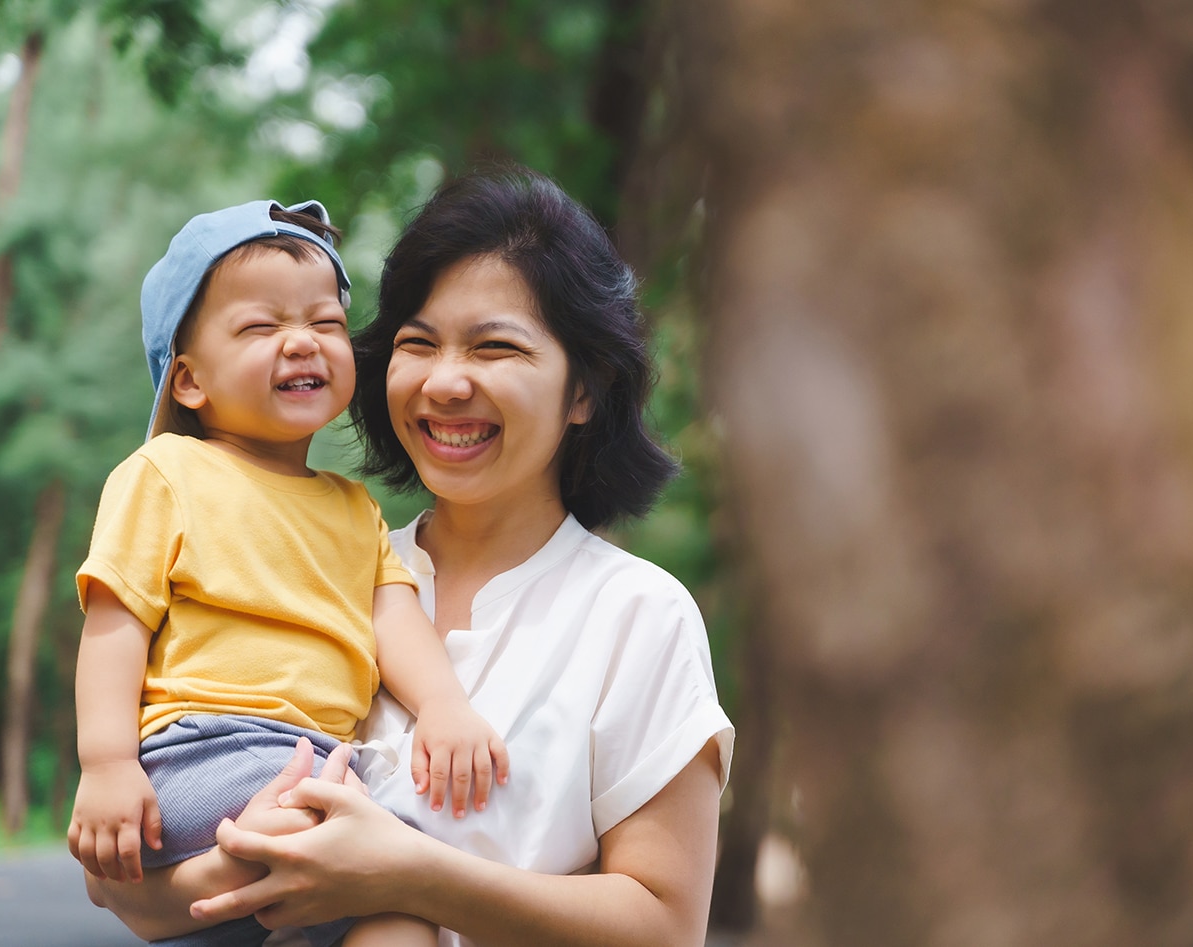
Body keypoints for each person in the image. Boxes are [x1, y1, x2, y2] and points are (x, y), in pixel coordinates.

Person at [87, 167, 735, 947]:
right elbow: (119, 885)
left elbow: (664, 927)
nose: (446, 381)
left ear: (584, 390)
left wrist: (410, 874)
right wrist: (244, 858)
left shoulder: (637, 615)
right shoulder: (321, 565)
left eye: (496, 347)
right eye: (416, 343)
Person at [70, 199, 511, 947]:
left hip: (303, 754)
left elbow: (392, 616)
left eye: (326, 323)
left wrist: (443, 705)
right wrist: (107, 763)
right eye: (261, 327)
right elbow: (117, 621)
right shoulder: (166, 471)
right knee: (385, 847)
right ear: (188, 381)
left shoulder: (350, 506)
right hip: (204, 750)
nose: (302, 342)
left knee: (402, 913)